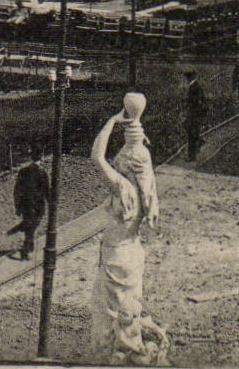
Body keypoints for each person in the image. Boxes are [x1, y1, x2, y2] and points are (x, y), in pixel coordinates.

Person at [89, 96, 169, 365]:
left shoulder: (122, 189)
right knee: (128, 313)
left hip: (114, 259)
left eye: (120, 159)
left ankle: (111, 355)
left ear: (126, 166)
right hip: (133, 255)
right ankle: (130, 347)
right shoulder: (144, 199)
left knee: (107, 317)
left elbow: (96, 157)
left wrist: (113, 121)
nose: (117, 162)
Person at [7, 146, 50, 259]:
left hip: (25, 205)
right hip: (38, 206)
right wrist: (51, 204)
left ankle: (23, 230)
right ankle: (25, 250)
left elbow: (17, 190)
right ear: (41, 158)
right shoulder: (42, 173)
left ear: (31, 157)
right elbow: (47, 191)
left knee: (30, 225)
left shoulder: (23, 171)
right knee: (32, 226)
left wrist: (17, 206)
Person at [183, 70, 208, 161]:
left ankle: (191, 156)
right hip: (196, 115)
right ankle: (199, 143)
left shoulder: (193, 88)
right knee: (193, 134)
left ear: (189, 78)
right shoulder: (196, 87)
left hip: (194, 115)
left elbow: (196, 103)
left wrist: (190, 113)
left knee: (191, 135)